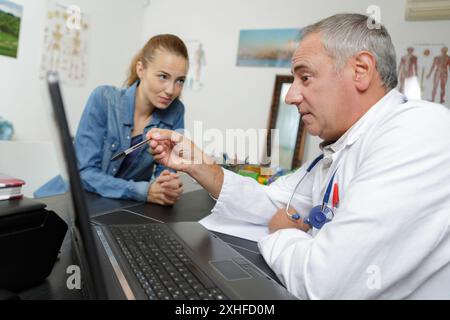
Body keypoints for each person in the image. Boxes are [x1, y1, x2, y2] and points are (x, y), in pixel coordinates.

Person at [146, 14, 450, 299]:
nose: (290, 96)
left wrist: (281, 235)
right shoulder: (341, 147)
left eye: (305, 78)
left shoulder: (419, 131)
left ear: (361, 70)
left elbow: (326, 283)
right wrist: (200, 166)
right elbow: (275, 202)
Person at [37, 34, 188, 205]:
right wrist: (143, 191)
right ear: (141, 70)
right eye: (163, 76)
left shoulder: (176, 111)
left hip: (114, 209)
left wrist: (168, 185)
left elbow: (165, 171)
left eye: (180, 81)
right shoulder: (103, 99)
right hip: (66, 202)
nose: (171, 90)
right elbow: (84, 172)